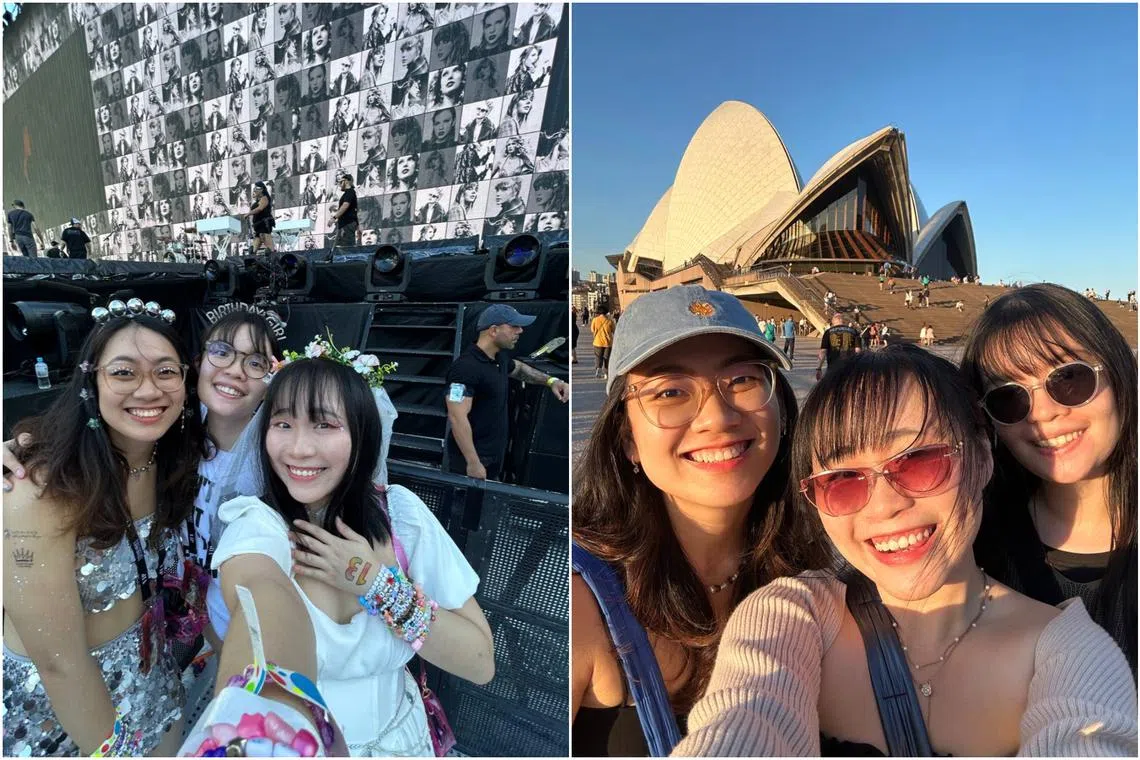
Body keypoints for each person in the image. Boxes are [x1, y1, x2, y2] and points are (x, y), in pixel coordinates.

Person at [673, 345, 1137, 756]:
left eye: (920, 461)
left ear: (982, 456)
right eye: (841, 481)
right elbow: (745, 720)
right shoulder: (790, 617)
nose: (886, 506)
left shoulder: (1068, 651)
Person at [573, 286, 821, 756]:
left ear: (780, 409)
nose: (718, 418)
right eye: (671, 391)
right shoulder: (582, 600)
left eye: (743, 380)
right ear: (628, 439)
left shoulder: (821, 568)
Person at [211, 348, 494, 754]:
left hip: (405, 742)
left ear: (363, 433)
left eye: (324, 424)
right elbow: (259, 604)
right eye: (283, 423)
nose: (299, 449)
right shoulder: (256, 526)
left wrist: (375, 583)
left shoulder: (402, 516)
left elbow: (480, 662)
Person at [3, 304, 206, 756]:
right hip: (60, 708)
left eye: (165, 372)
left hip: (152, 680)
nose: (148, 389)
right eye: (124, 373)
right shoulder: (40, 490)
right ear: (91, 384)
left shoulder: (169, 459)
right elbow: (59, 663)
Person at [961, 284, 1137, 677]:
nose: (1042, 414)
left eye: (1068, 378)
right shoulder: (974, 549)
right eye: (1008, 397)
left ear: (1117, 370)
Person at [445, 304, 568, 480]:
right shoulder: (465, 368)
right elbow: (457, 417)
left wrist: (551, 381)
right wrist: (473, 462)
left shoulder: (499, 358)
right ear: (493, 330)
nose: (520, 331)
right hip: (474, 461)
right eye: (514, 326)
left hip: (494, 456)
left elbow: (518, 369)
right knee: (465, 506)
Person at [816, 311, 860, 381]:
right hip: (850, 366)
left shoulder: (828, 332)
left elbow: (823, 351)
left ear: (833, 322)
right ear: (843, 321)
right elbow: (858, 350)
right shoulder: (854, 331)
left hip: (833, 366)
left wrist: (819, 368)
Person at [240, 181, 275, 253]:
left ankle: (272, 255)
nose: (254, 190)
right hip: (258, 226)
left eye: (257, 188)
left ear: (262, 189)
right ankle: (252, 257)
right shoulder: (256, 201)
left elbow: (260, 208)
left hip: (264, 224)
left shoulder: (264, 198)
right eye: (254, 188)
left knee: (268, 244)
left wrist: (248, 214)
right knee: (254, 246)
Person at [330, 173, 358, 249]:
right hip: (345, 225)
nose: (339, 185)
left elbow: (345, 206)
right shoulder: (348, 193)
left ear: (345, 181)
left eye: (340, 182)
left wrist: (334, 218)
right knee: (340, 246)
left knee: (346, 247)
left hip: (347, 224)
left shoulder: (350, 192)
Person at [589, 306, 616, 381]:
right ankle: (606, 373)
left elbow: (592, 330)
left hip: (597, 342)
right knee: (607, 358)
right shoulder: (610, 321)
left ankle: (598, 370)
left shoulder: (595, 320)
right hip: (608, 343)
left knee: (598, 357)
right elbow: (614, 331)